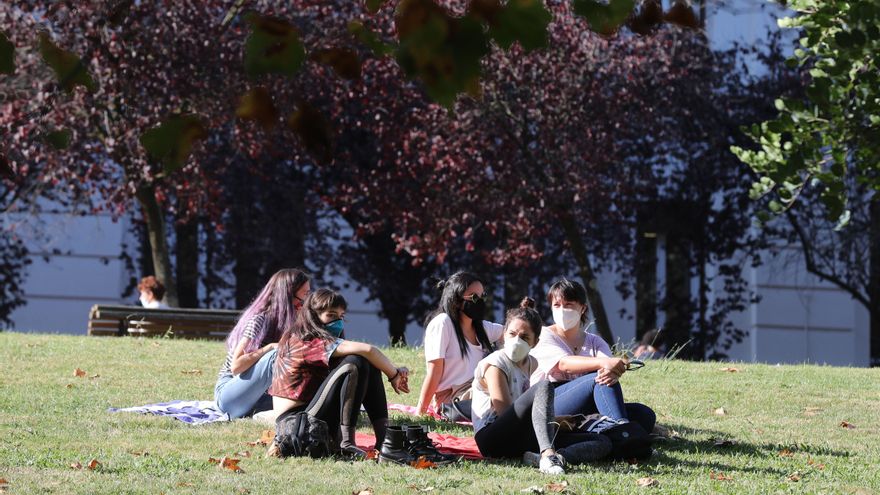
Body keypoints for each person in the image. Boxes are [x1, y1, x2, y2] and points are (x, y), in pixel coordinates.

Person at [471, 297, 612, 474]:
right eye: (512, 334)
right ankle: (547, 454)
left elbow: (525, 412)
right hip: (493, 438)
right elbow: (506, 413)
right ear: (504, 333)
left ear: (535, 342)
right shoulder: (495, 363)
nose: (517, 341)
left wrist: (556, 420)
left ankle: (555, 457)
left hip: (519, 437)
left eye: (524, 337)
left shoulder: (531, 363)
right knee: (543, 386)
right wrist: (550, 422)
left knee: (602, 442)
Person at [268, 288, 411, 459]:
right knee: (355, 363)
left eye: (341, 316)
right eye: (331, 315)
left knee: (366, 361)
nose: (338, 322)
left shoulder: (322, 342)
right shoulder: (305, 340)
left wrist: (394, 369)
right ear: (313, 316)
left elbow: (369, 355)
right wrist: (394, 375)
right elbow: (369, 349)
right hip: (297, 422)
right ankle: (346, 444)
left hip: (314, 414)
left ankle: (385, 442)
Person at [531, 279, 656, 434]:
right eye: (557, 305)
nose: (562, 310)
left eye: (568, 304)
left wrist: (611, 369)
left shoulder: (595, 342)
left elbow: (609, 370)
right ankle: (622, 432)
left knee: (645, 414)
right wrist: (605, 363)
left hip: (587, 403)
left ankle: (611, 428)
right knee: (597, 378)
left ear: (582, 308)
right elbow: (563, 364)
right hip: (550, 401)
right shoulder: (543, 335)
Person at [214, 268, 311, 419]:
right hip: (229, 396)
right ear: (289, 294)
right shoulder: (260, 320)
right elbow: (236, 366)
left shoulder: (292, 323)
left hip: (257, 397)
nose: (306, 301)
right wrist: (269, 347)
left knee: (308, 403)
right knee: (275, 354)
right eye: (305, 294)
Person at [416, 271, 503, 415]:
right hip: (452, 399)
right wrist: (421, 412)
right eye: (474, 297)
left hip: (476, 389)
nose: (480, 301)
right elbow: (434, 372)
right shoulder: (443, 323)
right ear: (456, 300)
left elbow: (510, 333)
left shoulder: (481, 327)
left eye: (483, 296)